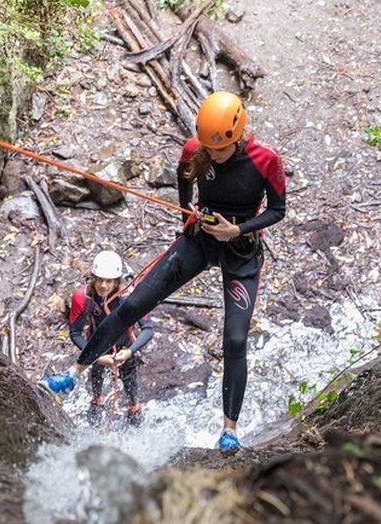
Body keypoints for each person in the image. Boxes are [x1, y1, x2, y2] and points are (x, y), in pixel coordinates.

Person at [37, 91, 287, 450]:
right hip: (199, 239)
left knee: (234, 339)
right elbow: (185, 179)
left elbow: (278, 210)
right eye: (207, 147)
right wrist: (187, 213)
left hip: (240, 250)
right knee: (131, 305)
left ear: (238, 136)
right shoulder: (195, 149)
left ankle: (229, 429)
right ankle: (72, 375)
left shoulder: (266, 159)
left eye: (218, 149)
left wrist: (236, 230)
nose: (211, 154)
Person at [45, 250, 154, 426]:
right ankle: (97, 399)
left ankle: (133, 406)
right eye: (100, 279)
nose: (103, 285)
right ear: (93, 277)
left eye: (109, 281)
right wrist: (97, 357)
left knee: (129, 380)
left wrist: (129, 352)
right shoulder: (82, 297)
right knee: (96, 375)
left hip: (125, 346)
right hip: (96, 346)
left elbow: (148, 329)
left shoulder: (130, 297)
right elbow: (75, 333)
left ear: (117, 281)